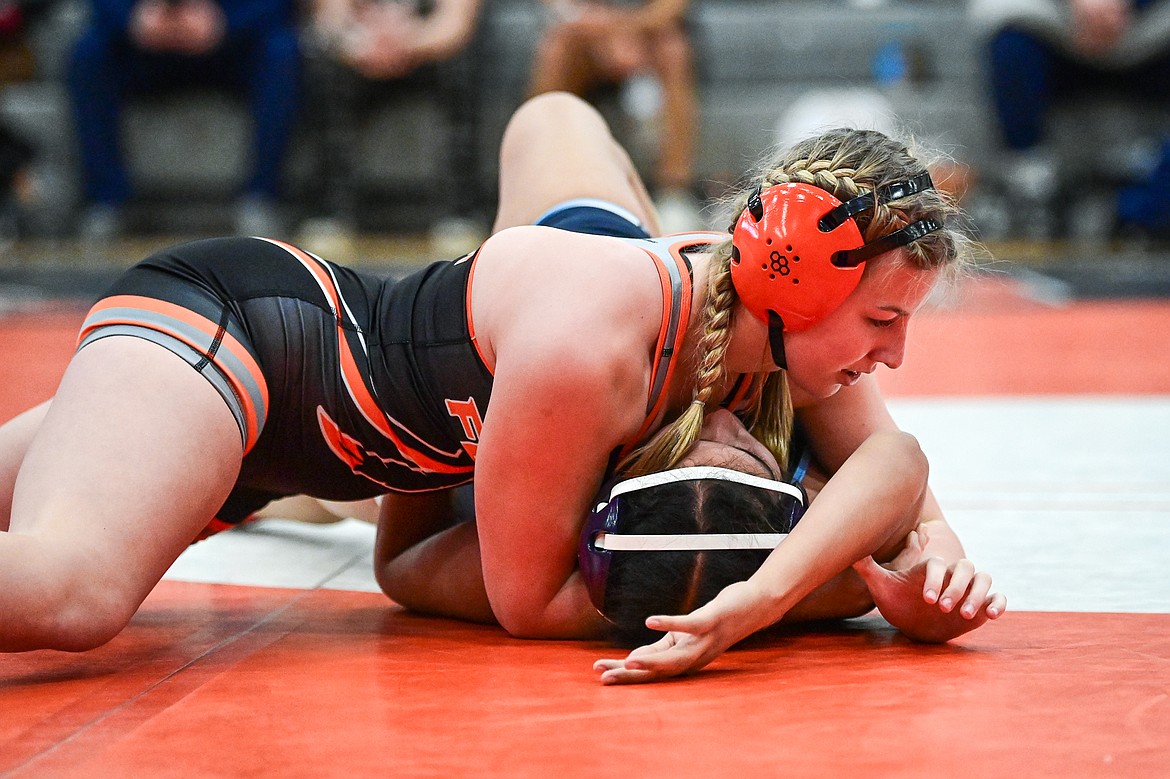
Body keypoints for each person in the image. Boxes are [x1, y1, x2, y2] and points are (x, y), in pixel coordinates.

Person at [0, 93, 1002, 682]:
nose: (896, 357)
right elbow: (526, 603)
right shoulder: (595, 348)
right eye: (885, 320)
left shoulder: (768, 341)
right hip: (251, 343)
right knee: (73, 588)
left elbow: (900, 472)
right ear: (797, 276)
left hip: (290, 444)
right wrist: (754, 589)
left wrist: (928, 575)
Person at [67, 0, 301, 239]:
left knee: (281, 51)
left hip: (232, 47)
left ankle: (262, 197)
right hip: (144, 50)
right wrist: (133, 17)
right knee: (89, 53)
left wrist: (224, 22)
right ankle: (107, 199)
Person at [974, 0, 1170, 236]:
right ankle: (1028, 179)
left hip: (1152, 34)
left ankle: (1152, 192)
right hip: (1052, 29)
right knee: (1010, 33)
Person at [298, 0, 483, 249]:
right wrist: (361, 44)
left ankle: (459, 213)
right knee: (321, 62)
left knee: (462, 66)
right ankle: (331, 212)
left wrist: (405, 41)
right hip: (362, 49)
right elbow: (329, 21)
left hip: (426, 47)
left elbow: (455, 25)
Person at [528, 0, 700, 232]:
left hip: (649, 36)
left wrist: (631, 28)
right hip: (585, 33)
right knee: (556, 51)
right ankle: (542, 186)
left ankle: (673, 192)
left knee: (673, 50)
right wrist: (594, 24)